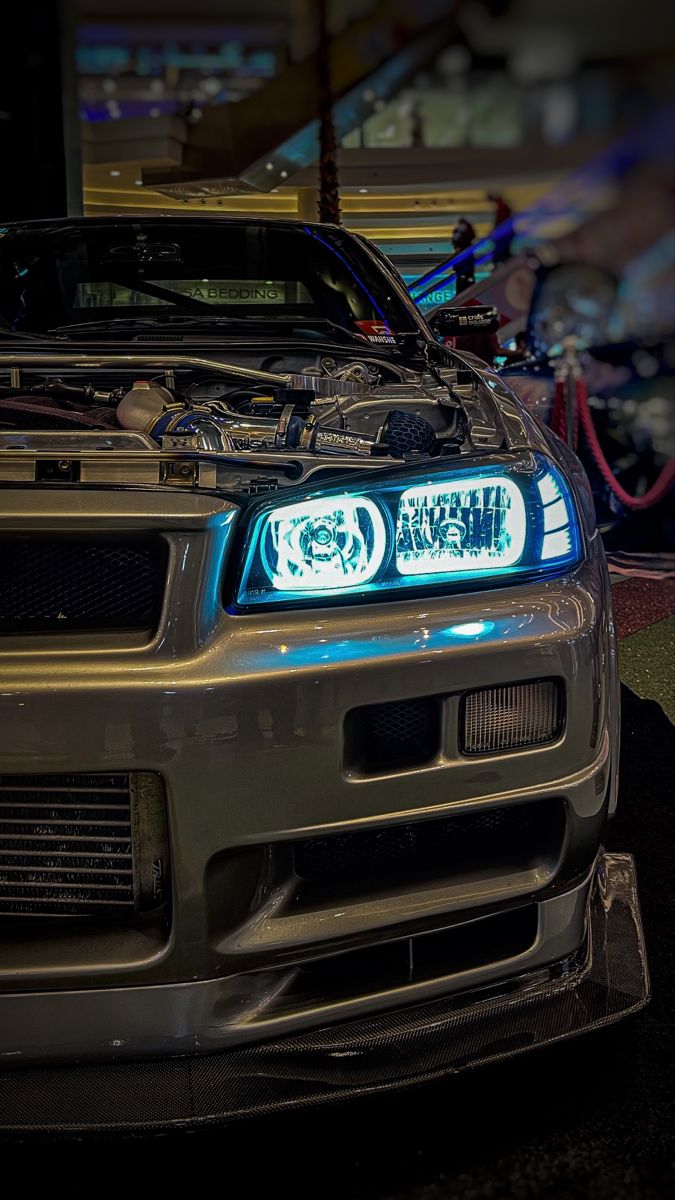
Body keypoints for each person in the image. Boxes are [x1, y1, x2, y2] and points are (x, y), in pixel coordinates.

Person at [452, 218, 476, 294]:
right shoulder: (463, 231)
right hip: (465, 267)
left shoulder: (460, 232)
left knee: (463, 281)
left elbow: (455, 241)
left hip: (463, 265)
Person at [488, 192, 513, 264]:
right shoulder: (501, 205)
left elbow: (500, 220)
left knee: (501, 252)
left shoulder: (501, 206)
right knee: (504, 251)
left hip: (503, 234)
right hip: (505, 234)